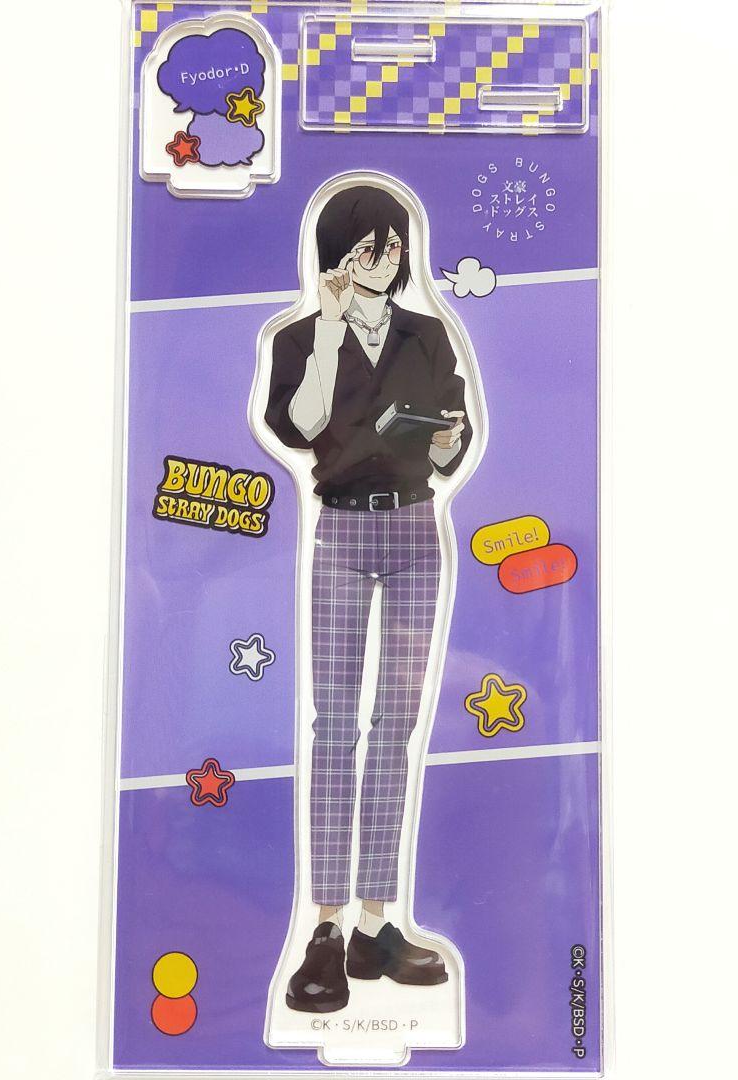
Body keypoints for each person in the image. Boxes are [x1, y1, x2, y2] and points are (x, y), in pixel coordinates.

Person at [264, 185, 472, 1013]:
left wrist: (447, 441)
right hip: (343, 533)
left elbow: (452, 442)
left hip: (417, 530)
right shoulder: (298, 339)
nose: (382, 261)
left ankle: (374, 924)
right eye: (365, 249)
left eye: (391, 247)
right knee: (334, 723)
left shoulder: (428, 334)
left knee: (397, 726)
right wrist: (325, 325)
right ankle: (324, 926)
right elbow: (300, 426)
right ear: (338, 257)